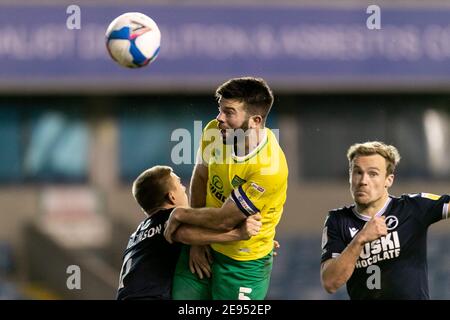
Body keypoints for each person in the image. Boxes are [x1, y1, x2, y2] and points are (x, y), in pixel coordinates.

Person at [164, 77, 289, 300]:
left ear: (255, 120)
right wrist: (197, 243)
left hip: (242, 263)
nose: (219, 118)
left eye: (229, 112)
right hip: (203, 242)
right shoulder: (215, 131)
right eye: (219, 110)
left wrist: (181, 213)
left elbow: (224, 220)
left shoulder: (269, 168)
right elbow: (201, 177)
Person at [320, 141, 450, 299]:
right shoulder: (338, 220)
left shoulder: (412, 207)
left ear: (389, 180)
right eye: (357, 172)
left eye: (373, 173)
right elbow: (330, 283)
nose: (363, 181)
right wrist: (360, 239)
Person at [116, 165, 262, 300]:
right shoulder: (172, 218)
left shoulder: (136, 235)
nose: (185, 188)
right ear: (171, 197)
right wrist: (239, 235)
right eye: (180, 184)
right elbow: (196, 231)